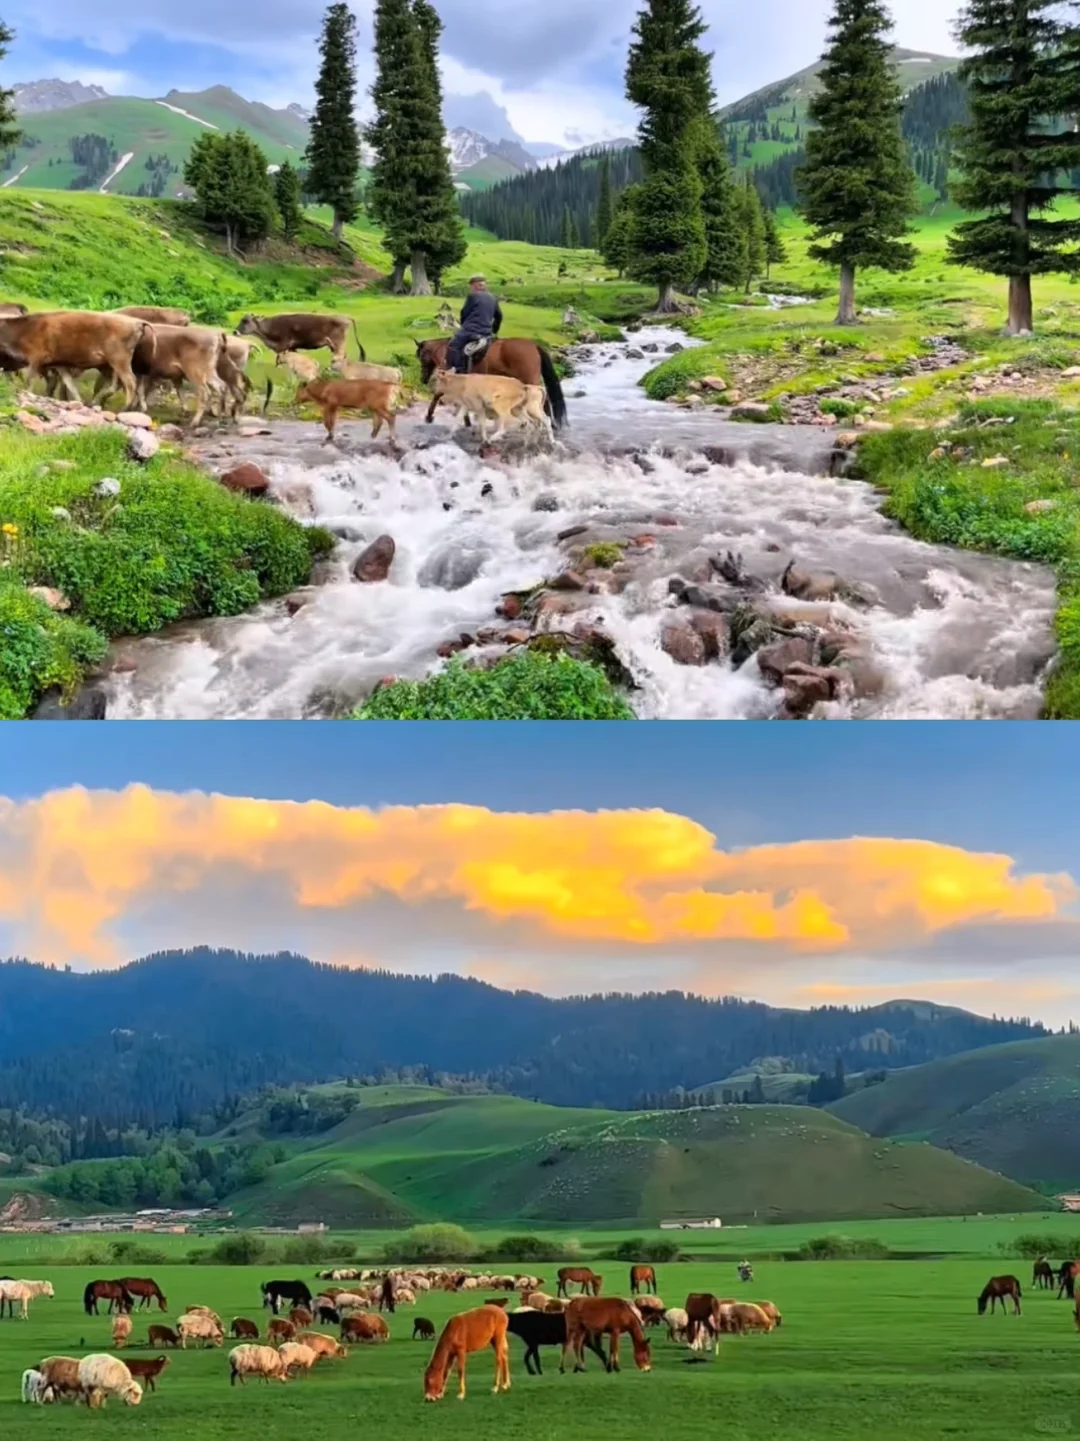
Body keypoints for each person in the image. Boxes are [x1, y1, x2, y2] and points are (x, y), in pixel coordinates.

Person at [447, 274, 503, 373]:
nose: (471, 289)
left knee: (453, 345)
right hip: (487, 332)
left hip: (471, 330)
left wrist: (463, 327)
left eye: (471, 287)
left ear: (475, 285)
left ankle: (457, 369)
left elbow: (464, 313)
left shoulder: (473, 296)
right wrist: (494, 330)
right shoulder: (493, 298)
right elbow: (499, 316)